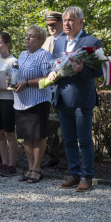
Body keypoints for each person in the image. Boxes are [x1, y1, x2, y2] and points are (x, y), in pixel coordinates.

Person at [53, 6, 102, 192]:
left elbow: (98, 70)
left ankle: (86, 176)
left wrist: (83, 71)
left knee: (85, 139)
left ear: (80, 21)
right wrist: (52, 74)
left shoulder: (91, 41)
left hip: (82, 98)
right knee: (68, 139)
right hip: (63, 97)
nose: (67, 23)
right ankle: (73, 174)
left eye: (71, 20)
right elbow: (54, 65)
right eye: (65, 20)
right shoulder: (59, 43)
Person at [13, 25, 52, 183]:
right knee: (26, 138)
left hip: (38, 100)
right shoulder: (22, 55)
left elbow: (49, 79)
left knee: (38, 136)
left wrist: (28, 83)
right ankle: (30, 167)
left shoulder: (45, 55)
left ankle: (37, 168)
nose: (27, 38)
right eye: (27, 35)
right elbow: (16, 74)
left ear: (41, 40)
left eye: (32, 36)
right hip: (21, 101)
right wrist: (12, 80)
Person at [0, 32, 19, 176]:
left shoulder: (13, 61)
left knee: (9, 133)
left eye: (0, 42)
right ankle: (4, 162)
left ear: (7, 44)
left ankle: (12, 165)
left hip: (7, 100)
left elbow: (14, 83)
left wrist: (5, 88)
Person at [41, 10, 63, 169]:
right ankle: (53, 155)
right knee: (51, 124)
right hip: (47, 87)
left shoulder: (68, 39)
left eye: (54, 25)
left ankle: (65, 157)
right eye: (48, 25)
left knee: (63, 125)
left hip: (63, 86)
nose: (51, 28)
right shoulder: (46, 41)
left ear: (61, 23)